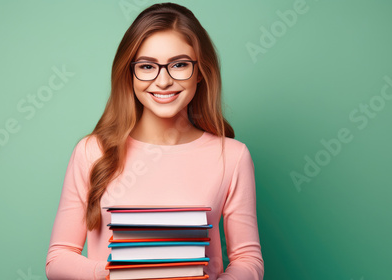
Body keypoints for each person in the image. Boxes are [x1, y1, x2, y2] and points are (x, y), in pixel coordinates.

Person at [45, 3, 264, 280]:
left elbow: (248, 259)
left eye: (179, 65)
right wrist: (115, 273)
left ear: (200, 72)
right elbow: (58, 258)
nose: (163, 81)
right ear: (130, 73)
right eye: (147, 66)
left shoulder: (232, 156)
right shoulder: (91, 152)